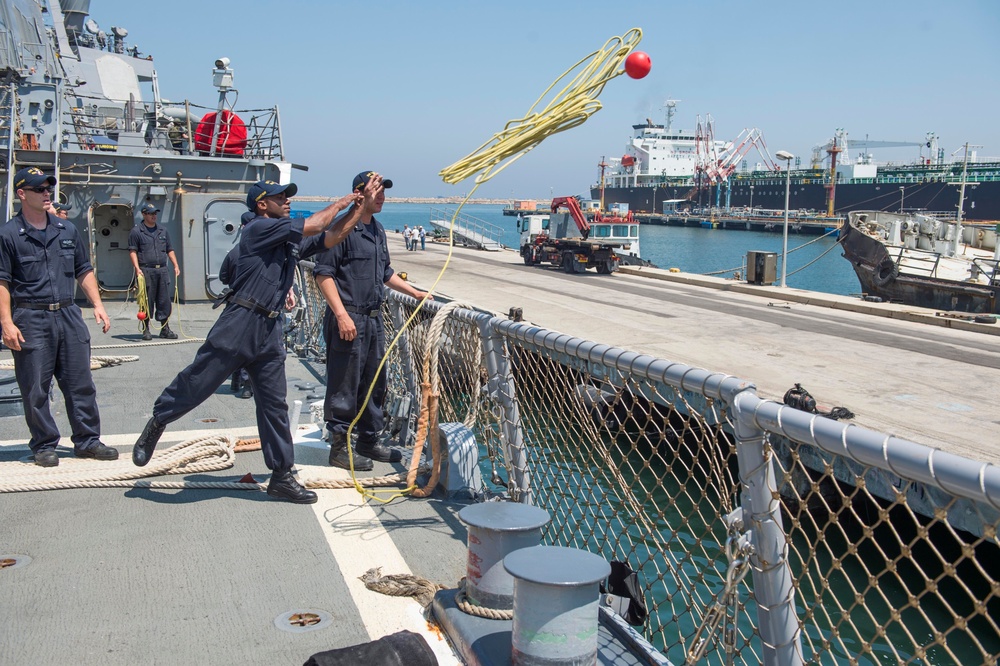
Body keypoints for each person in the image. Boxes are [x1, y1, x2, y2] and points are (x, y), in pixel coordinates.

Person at [132, 178, 373, 504]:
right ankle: (159, 420)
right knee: (198, 382)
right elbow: (317, 223)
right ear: (261, 204)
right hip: (240, 324)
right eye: (280, 197)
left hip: (270, 330)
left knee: (274, 406)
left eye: (288, 196)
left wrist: (357, 210)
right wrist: (346, 199)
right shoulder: (259, 228)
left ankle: (281, 476)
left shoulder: (285, 241)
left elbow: (330, 236)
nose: (287, 200)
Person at [313, 171, 432, 470]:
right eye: (376, 190)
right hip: (349, 317)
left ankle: (368, 439)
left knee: (375, 382)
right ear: (358, 194)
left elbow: (385, 273)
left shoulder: (377, 230)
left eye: (383, 191)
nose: (381, 196)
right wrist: (341, 315)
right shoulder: (342, 230)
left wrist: (415, 292)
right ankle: (339, 446)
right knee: (344, 384)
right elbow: (323, 274)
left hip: (374, 319)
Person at [0, 167, 117, 467]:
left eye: (48, 187)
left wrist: (98, 305)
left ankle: (88, 440)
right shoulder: (9, 234)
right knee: (35, 386)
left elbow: (83, 269)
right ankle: (44, 444)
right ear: (22, 194)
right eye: (39, 189)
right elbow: (2, 282)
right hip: (30, 316)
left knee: (81, 382)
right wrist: (6, 322)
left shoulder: (67, 230)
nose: (46, 192)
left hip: (68, 313)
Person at [128, 203, 181, 340]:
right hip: (146, 270)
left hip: (162, 270)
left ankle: (165, 329)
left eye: (155, 213)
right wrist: (137, 268)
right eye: (151, 214)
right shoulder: (137, 232)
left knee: (164, 301)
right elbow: (133, 251)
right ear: (144, 214)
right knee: (147, 300)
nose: (154, 216)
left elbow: (170, 249)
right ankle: (146, 329)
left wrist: (175, 265)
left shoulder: (162, 231)